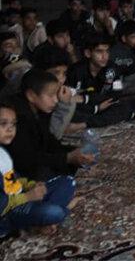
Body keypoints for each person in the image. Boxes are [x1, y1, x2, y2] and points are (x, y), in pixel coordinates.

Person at [0, 102, 76, 237]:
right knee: (54, 212)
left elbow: (12, 180)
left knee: (68, 181)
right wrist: (28, 197)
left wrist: (31, 185)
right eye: (3, 124)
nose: (10, 129)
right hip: (8, 213)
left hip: (21, 198)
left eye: (13, 124)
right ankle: (50, 217)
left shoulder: (2, 153)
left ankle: (41, 221)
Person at [6, 69, 94, 181]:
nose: (56, 100)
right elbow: (26, 158)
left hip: (33, 160)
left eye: (56, 95)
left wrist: (72, 152)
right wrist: (67, 158)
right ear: (31, 95)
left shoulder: (39, 109)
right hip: (15, 169)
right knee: (52, 176)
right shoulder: (15, 118)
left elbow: (49, 141)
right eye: (50, 95)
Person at [67, 33, 135, 128]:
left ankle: (84, 124)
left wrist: (86, 98)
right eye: (99, 52)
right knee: (69, 110)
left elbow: (116, 94)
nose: (104, 56)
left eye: (107, 51)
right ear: (88, 53)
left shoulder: (112, 68)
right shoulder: (76, 71)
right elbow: (70, 99)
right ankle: (97, 120)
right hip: (85, 108)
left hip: (104, 105)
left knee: (124, 108)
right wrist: (95, 108)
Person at [32, 46, 83, 139]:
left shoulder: (60, 93)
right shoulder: (34, 97)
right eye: (55, 73)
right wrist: (65, 105)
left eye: (64, 73)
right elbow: (52, 136)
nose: (61, 79)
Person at [110, 21, 135, 95]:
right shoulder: (115, 51)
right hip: (118, 81)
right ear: (124, 38)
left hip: (134, 80)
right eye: (134, 37)